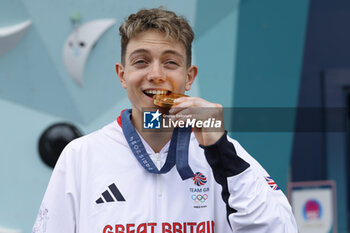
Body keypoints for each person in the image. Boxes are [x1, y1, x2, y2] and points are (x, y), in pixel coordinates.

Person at [33, 7, 298, 233]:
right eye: (141, 61)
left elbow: (278, 228)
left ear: (190, 77)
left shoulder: (225, 154)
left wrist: (221, 151)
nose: (156, 74)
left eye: (170, 62)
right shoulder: (81, 157)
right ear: (122, 75)